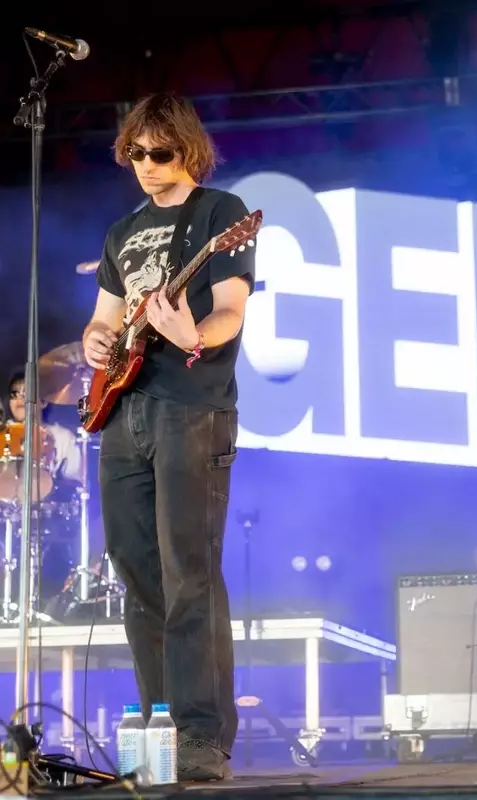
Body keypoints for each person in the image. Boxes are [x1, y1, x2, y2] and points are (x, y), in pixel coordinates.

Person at [81, 92, 255, 782]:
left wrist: (194, 336)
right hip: (124, 414)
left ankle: (203, 737)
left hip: (191, 408)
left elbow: (230, 310)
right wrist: (96, 342)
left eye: (159, 153)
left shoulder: (220, 216)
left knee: (190, 572)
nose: (146, 167)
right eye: (134, 155)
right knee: (135, 570)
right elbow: (104, 317)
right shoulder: (121, 231)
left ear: (188, 149)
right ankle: (160, 725)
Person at [6, 370, 82, 484]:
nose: (19, 398)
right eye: (14, 393)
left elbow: (74, 486)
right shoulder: (3, 434)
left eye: (26, 393)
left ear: (43, 402)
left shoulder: (63, 437)